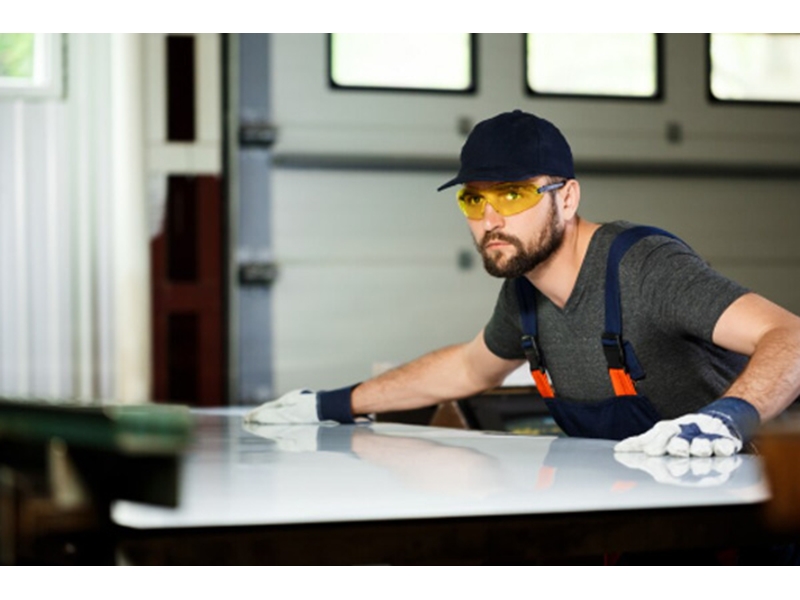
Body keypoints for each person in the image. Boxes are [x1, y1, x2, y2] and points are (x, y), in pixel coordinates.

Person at [245, 109, 800, 458]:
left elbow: (790, 336)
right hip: (646, 513)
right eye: (474, 199)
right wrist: (333, 403)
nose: (490, 220)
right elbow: (468, 368)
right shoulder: (523, 294)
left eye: (513, 195)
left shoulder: (644, 267)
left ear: (568, 198)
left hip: (752, 513)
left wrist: (725, 420)